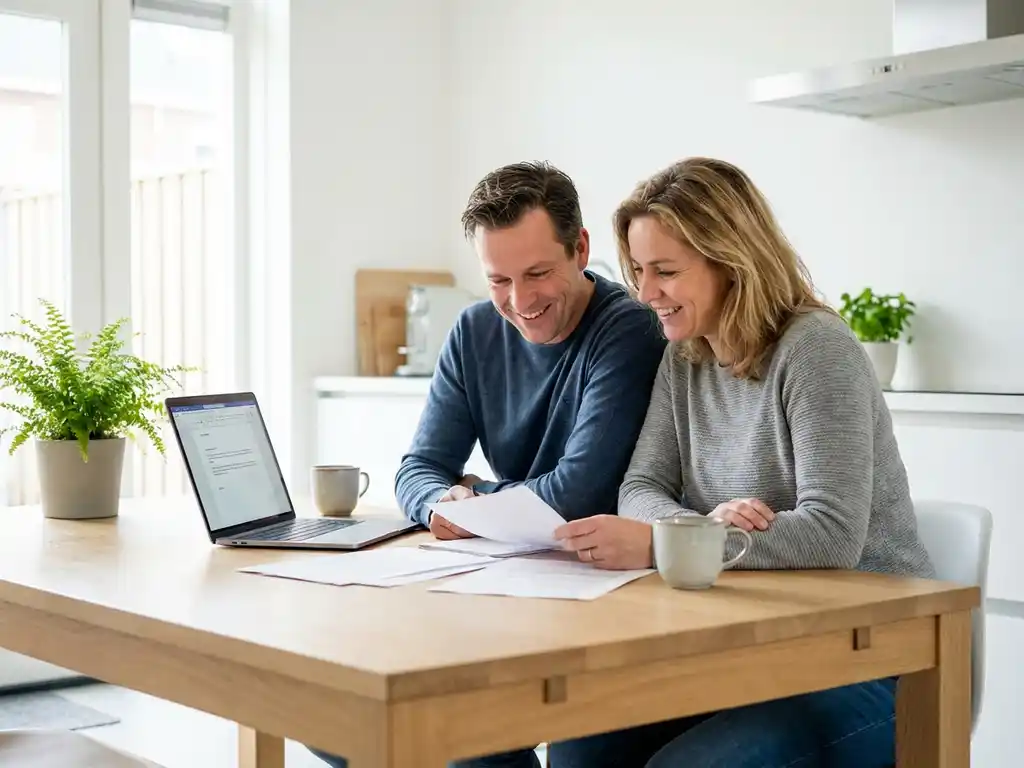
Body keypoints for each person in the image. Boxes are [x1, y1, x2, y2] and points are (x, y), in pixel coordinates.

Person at [554, 156, 936, 768]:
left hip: (871, 660)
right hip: (752, 649)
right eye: (638, 270)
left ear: (731, 262)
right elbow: (643, 485)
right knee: (578, 750)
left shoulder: (816, 351)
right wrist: (698, 529)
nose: (645, 293)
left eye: (666, 272)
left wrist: (681, 540)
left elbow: (833, 535)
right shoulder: (686, 358)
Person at [309, 160, 669, 768]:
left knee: (457, 738)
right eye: (499, 279)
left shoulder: (628, 329)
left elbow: (580, 490)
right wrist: (438, 502)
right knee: (337, 710)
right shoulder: (474, 330)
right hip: (510, 583)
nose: (520, 302)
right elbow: (419, 466)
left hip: (600, 597)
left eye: (537, 273)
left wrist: (478, 492)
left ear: (580, 248)